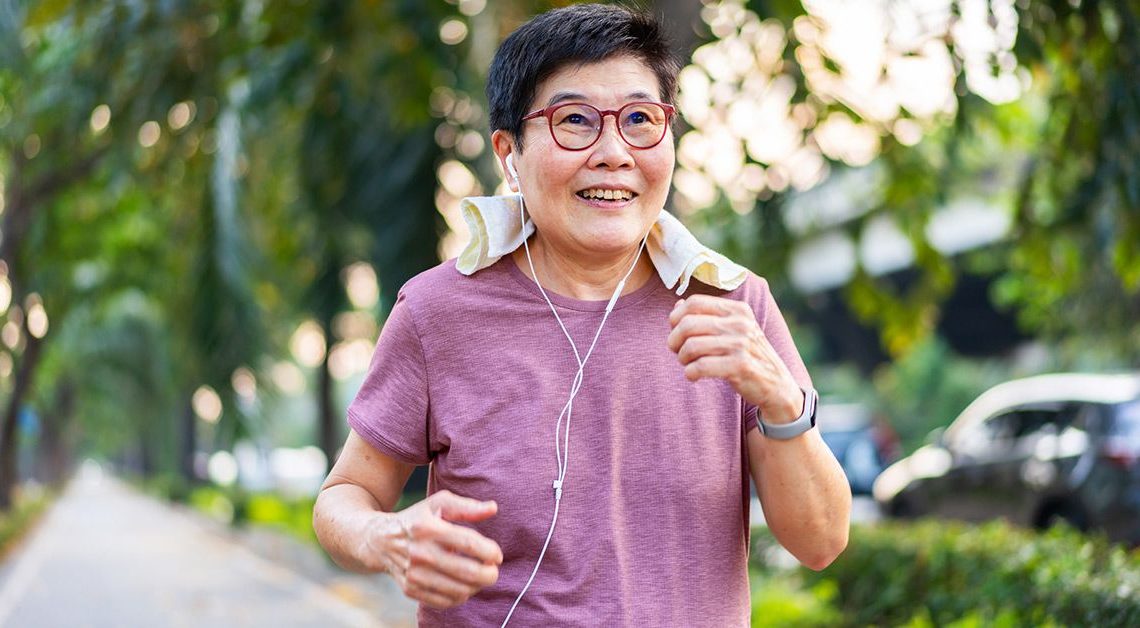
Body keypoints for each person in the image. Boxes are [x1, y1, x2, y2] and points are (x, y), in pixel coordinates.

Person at [312, 5, 850, 626]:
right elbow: (343, 497)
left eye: (641, 120)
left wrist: (782, 402)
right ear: (509, 153)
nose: (614, 152)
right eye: (575, 121)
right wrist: (386, 538)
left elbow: (821, 542)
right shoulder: (437, 312)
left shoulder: (733, 303)